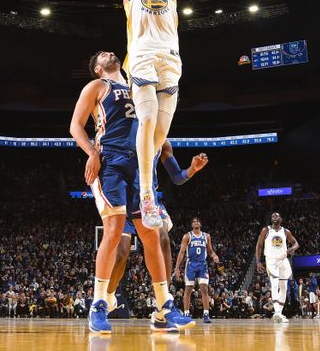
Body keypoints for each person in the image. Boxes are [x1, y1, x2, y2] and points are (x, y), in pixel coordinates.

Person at [70, 51, 191, 334]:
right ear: (98, 68)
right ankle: (99, 305)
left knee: (151, 232)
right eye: (103, 55)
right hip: (110, 160)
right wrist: (91, 153)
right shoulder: (97, 86)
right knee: (113, 229)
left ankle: (164, 307)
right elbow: (75, 125)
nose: (110, 53)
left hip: (140, 162)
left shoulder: (138, 87)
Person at [116, 0, 181, 230]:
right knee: (147, 121)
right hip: (141, 57)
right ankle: (146, 196)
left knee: (158, 139)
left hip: (170, 61)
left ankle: (146, 184)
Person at [104, 141, 209, 316]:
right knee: (121, 254)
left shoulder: (162, 141)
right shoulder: (126, 130)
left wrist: (192, 169)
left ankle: (164, 304)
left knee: (163, 238)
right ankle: (107, 297)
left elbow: (177, 177)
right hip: (125, 197)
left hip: (148, 199)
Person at [255, 212, 300, 323]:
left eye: (277, 216)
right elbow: (259, 245)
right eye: (273, 216)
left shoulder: (285, 231)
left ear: (281, 219)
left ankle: (279, 313)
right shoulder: (266, 230)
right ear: (271, 219)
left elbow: (296, 243)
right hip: (271, 261)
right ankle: (277, 312)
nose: (275, 217)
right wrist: (258, 261)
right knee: (274, 284)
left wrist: (292, 248)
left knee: (284, 287)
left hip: (283, 260)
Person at [174, 217, 220, 324]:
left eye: (198, 221)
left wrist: (214, 256)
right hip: (191, 264)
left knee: (204, 288)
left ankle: (206, 314)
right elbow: (181, 253)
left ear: (200, 224)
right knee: (188, 289)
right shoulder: (187, 236)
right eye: (194, 222)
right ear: (191, 225)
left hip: (202, 264)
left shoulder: (206, 236)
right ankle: (186, 314)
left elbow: (210, 251)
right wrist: (177, 268)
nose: (196, 223)